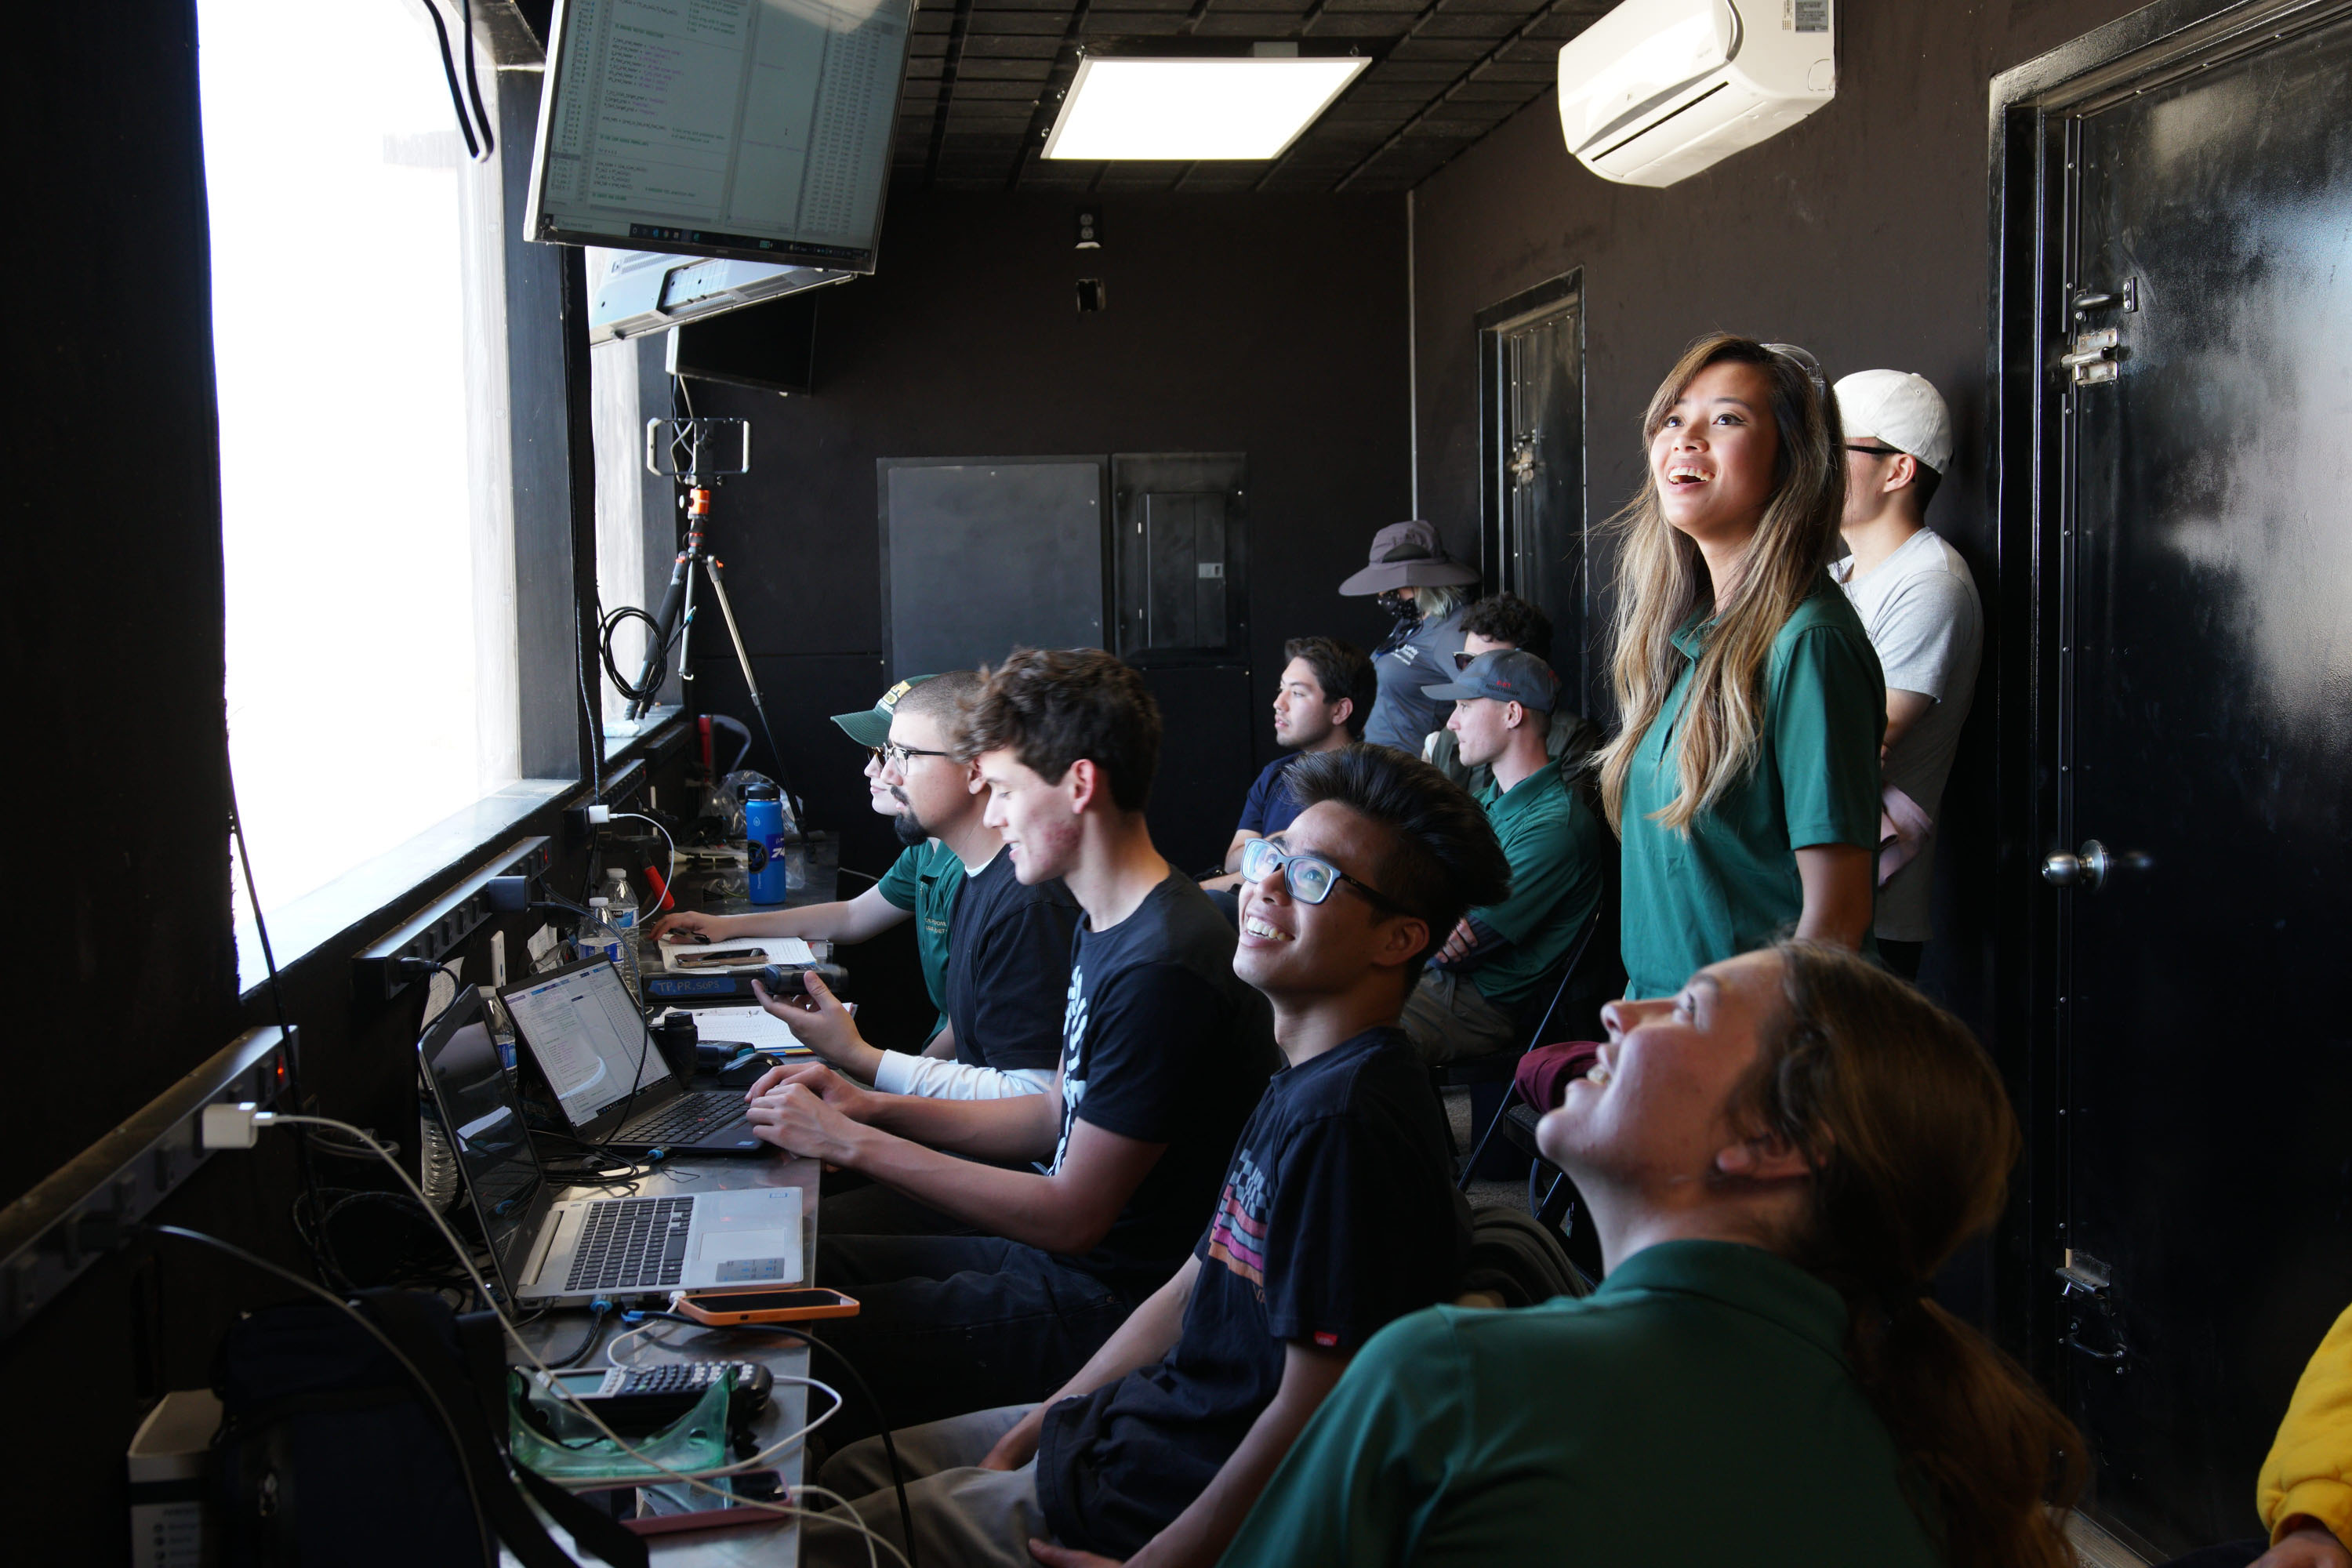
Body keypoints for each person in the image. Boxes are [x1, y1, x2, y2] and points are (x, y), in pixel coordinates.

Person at [800, 744, 1505, 1568]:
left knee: (826, 1543)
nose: (1265, 884)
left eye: (1311, 878)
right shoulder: (1307, 1078)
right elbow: (1195, 1276)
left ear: (1401, 939)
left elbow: (1319, 1401)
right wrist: (1047, 1416)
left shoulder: (1348, 1118)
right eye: (1271, 856)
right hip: (1132, 1426)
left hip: (1156, 1490)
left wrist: (1171, 1561)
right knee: (850, 1463)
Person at [1221, 941, 2087, 1568]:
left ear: (1772, 1139)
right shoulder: (1944, 1466)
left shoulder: (1453, 1376)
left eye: (1689, 1007)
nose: (1620, 1009)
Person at [740, 648, 1277, 1446]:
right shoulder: (1112, 920)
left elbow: (1073, 1217)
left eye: (1007, 791)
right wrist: (873, 1104)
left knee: (787, 1339)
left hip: (1107, 1298)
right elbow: (1055, 1111)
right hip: (1066, 1265)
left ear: (1081, 785)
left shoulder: (1162, 961)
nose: (992, 815)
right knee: (797, 1264)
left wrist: (853, 1140)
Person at [1596, 334, 1885, 1000]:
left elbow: (1835, 925)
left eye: (1726, 419)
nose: (1685, 438)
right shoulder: (1693, 640)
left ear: (1792, 460)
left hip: (1750, 1059)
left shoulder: (1810, 641)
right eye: (1673, 418)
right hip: (1661, 1035)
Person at [749, 668, 1078, 1104]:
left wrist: (863, 1075)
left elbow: (1033, 1108)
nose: (885, 773)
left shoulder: (1026, 901)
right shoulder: (975, 875)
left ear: (976, 769)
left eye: (901, 755)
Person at [652, 673, 963, 1049]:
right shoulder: (925, 848)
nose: (875, 770)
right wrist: (727, 926)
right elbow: (852, 916)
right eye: (878, 753)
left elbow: (965, 1029)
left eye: (895, 754)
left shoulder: (967, 867)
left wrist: (890, 1100)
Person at [1830, 369, 1984, 983]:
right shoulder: (1840, 576)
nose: (1815, 466)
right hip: (1807, 899)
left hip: (1869, 920)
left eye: (1835, 450)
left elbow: (1855, 748)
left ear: (1898, 471)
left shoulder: (1930, 581)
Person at [1399, 648, 1608, 1065]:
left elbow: (1447, 949)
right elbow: (1410, 883)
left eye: (1463, 706)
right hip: (1434, 981)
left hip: (1478, 1004)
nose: (1451, 723)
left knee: (1330, 1033)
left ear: (1512, 715)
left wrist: (1426, 902)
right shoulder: (1483, 803)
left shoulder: (1556, 826)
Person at [1201, 637, 1374, 892]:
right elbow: (1233, 862)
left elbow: (1302, 879)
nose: (1278, 704)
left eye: (1297, 693)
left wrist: (1197, 892)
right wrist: (1280, 844)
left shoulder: (1370, 785)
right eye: (1281, 690)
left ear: (1340, 711)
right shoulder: (1275, 775)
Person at [1422, 591, 1603, 797]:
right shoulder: (1451, 734)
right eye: (1466, 661)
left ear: (1529, 666)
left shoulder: (1571, 739)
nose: (1470, 674)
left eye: (1485, 665)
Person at [1337, 520, 1479, 754]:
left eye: (1391, 584)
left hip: (1412, 777)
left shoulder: (1453, 632)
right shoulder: (1413, 622)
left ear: (1421, 583)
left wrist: (1438, 751)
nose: (1382, 595)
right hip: (1379, 770)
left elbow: (1483, 702)